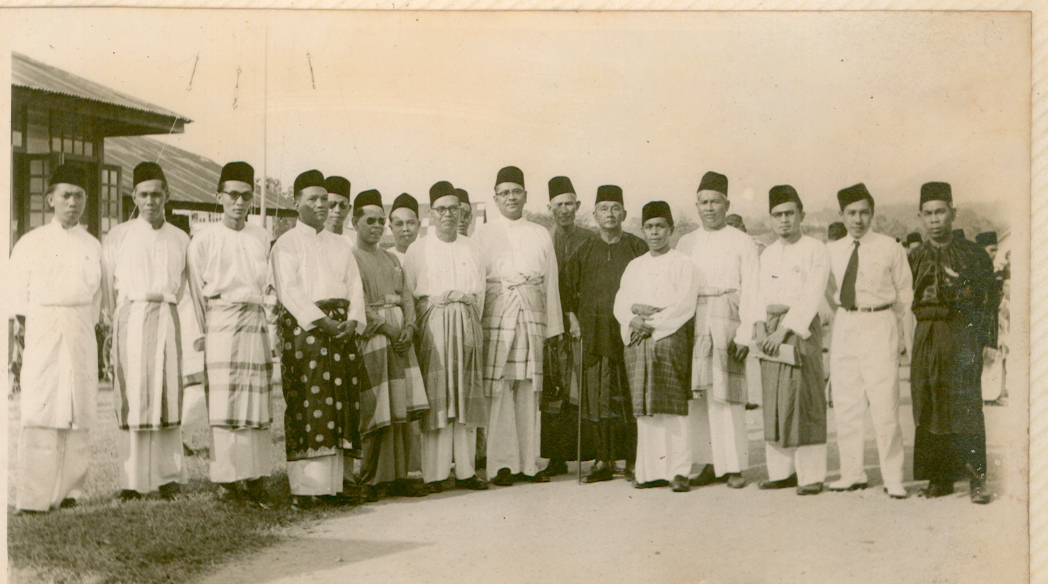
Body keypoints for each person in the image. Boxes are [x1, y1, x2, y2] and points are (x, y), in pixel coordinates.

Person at [270, 169, 367, 510]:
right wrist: (321, 321)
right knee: (309, 405)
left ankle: (337, 484)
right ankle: (306, 487)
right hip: (307, 333)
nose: (321, 205)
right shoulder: (286, 244)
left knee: (342, 404)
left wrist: (353, 319)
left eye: (325, 199)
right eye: (313, 199)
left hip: (341, 332)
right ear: (296, 202)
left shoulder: (341, 244)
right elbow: (289, 291)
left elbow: (354, 286)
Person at [9, 164, 101, 513]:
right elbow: (16, 294)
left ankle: (71, 492)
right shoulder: (31, 242)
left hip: (80, 328)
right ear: (50, 199)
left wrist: (86, 326)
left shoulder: (92, 245)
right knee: (42, 405)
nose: (72, 203)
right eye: (65, 196)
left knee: (79, 406)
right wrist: (23, 332)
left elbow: (97, 298)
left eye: (79, 196)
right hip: (44, 326)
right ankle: (34, 496)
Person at [186, 161, 274, 506]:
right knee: (224, 403)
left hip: (254, 321)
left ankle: (255, 478)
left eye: (246, 196)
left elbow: (268, 286)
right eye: (233, 195)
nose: (239, 202)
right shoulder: (203, 240)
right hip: (220, 322)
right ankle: (226, 480)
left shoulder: (261, 236)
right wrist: (203, 334)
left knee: (256, 402)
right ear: (219, 196)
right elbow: (195, 293)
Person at [102, 162, 190, 501]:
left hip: (166, 315)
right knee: (134, 397)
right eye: (144, 195)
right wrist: (118, 318)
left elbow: (184, 285)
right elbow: (108, 285)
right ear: (134, 197)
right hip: (132, 317)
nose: (150, 201)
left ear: (167, 195)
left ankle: (169, 477)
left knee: (167, 395)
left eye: (156, 194)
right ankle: (133, 481)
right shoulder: (119, 235)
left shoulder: (180, 238)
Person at [473, 166, 563, 486]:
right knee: (499, 389)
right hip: (497, 313)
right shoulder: (482, 234)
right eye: (504, 193)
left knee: (528, 389)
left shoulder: (540, 233)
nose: (511, 197)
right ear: (495, 198)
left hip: (531, 313)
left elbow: (550, 282)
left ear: (525, 196)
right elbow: (477, 283)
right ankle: (501, 465)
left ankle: (528, 464)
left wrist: (554, 329)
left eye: (516, 192)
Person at [909, 182, 995, 504]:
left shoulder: (974, 254)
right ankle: (940, 478)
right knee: (930, 401)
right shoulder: (915, 256)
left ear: (952, 213)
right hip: (927, 334)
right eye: (928, 213)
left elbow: (990, 299)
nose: (934, 220)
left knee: (966, 404)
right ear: (921, 216)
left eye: (940, 212)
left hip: (961, 334)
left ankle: (976, 480)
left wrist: (988, 340)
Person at [825, 183, 912, 499]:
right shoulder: (832, 250)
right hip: (847, 324)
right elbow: (828, 291)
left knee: (885, 406)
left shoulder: (890, 247)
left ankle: (893, 477)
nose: (858, 219)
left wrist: (897, 332)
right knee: (846, 404)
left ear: (872, 213)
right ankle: (852, 473)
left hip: (879, 322)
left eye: (864, 212)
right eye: (851, 213)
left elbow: (905, 295)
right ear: (842, 215)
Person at [405, 181, 490, 492]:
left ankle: (466, 471)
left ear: (462, 213)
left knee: (466, 397)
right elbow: (411, 293)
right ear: (431, 213)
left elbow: (480, 294)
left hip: (467, 323)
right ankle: (436, 474)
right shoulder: (418, 249)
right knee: (438, 399)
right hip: (434, 326)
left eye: (454, 209)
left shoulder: (472, 248)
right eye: (441, 209)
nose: (448, 215)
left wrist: (467, 321)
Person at [676, 171, 758, 490]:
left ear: (727, 204)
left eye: (715, 202)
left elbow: (752, 290)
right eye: (703, 202)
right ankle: (708, 463)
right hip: (696, 319)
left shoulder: (742, 241)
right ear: (697, 206)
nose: (709, 208)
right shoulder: (686, 242)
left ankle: (734, 466)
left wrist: (746, 334)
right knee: (700, 397)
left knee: (728, 396)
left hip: (728, 319)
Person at [562, 185, 646, 483]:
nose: (610, 214)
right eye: (603, 209)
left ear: (624, 213)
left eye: (615, 208)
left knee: (629, 397)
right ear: (595, 214)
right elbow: (566, 290)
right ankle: (603, 460)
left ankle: (634, 460)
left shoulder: (637, 247)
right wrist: (573, 320)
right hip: (593, 335)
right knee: (597, 400)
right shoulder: (584, 250)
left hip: (629, 335)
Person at [352, 189, 430, 499]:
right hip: (375, 339)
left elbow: (407, 296)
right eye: (369, 221)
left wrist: (409, 327)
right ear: (354, 222)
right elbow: (357, 303)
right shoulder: (350, 258)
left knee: (402, 406)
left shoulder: (391, 258)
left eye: (380, 221)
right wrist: (387, 328)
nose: (376, 226)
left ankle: (402, 475)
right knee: (377, 407)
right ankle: (373, 478)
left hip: (400, 342)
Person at [614, 201, 698, 492]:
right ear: (642, 230)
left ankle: (679, 472)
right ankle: (649, 472)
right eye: (649, 227)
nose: (654, 232)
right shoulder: (635, 265)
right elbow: (621, 302)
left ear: (671, 229)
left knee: (672, 406)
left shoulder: (682, 262)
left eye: (660, 227)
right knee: (645, 407)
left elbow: (685, 304)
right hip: (638, 339)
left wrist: (654, 325)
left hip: (668, 338)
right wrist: (632, 319)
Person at [753, 185, 830, 496]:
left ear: (801, 215)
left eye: (789, 213)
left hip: (799, 329)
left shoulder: (815, 249)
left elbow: (812, 294)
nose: (783, 220)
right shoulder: (768, 253)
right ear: (771, 218)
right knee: (774, 399)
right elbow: (758, 293)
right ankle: (781, 472)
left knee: (805, 399)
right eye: (777, 215)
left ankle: (811, 476)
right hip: (769, 330)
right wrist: (760, 327)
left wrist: (783, 331)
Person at [540, 176, 598, 478]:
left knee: (583, 385)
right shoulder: (544, 238)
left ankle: (590, 452)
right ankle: (556, 456)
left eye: (569, 204)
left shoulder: (590, 238)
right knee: (554, 388)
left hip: (581, 321)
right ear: (549, 207)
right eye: (558, 204)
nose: (564, 210)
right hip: (551, 321)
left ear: (578, 206)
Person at [976, 231, 1006, 404]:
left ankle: (991, 394)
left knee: (993, 355)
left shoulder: (991, 271)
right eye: (990, 250)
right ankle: (984, 395)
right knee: (983, 354)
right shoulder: (976, 271)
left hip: (992, 317)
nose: (993, 254)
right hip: (981, 318)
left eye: (995, 250)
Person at [324, 175, 356, 249]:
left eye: (343, 205)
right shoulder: (313, 238)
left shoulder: (355, 240)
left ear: (349, 208)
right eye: (331, 204)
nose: (337, 210)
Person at [389, 193, 421, 264]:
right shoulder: (384, 258)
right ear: (391, 227)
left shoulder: (429, 256)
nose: (405, 229)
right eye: (399, 224)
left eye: (410, 223)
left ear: (418, 225)